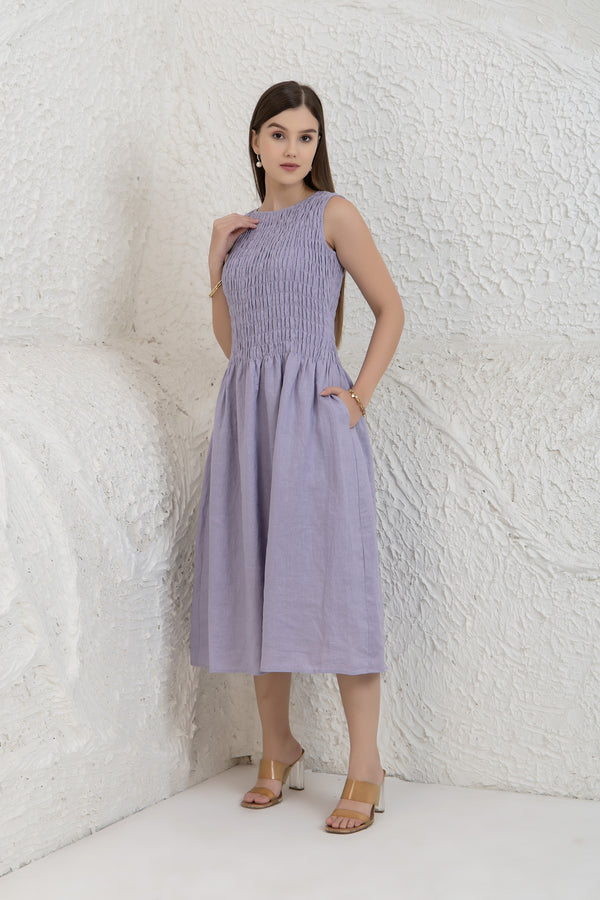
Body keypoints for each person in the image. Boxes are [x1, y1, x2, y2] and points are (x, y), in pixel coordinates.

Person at [190, 80, 405, 834]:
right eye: (277, 134)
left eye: (305, 135)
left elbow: (391, 309)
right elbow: (235, 345)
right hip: (248, 420)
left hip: (315, 423)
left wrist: (360, 397)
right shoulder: (241, 229)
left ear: (318, 144)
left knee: (337, 584)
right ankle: (275, 747)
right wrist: (215, 263)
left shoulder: (333, 214)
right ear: (255, 142)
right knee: (258, 579)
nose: (291, 148)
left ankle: (365, 763)